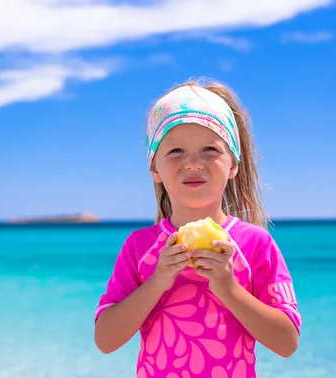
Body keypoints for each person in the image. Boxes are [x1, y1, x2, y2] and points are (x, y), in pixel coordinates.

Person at [93, 79, 302, 378]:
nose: (193, 163)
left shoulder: (255, 244)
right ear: (155, 169)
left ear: (233, 166)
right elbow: (105, 339)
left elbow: (287, 342)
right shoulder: (140, 247)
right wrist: (157, 282)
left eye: (209, 149)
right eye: (176, 151)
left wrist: (229, 289)